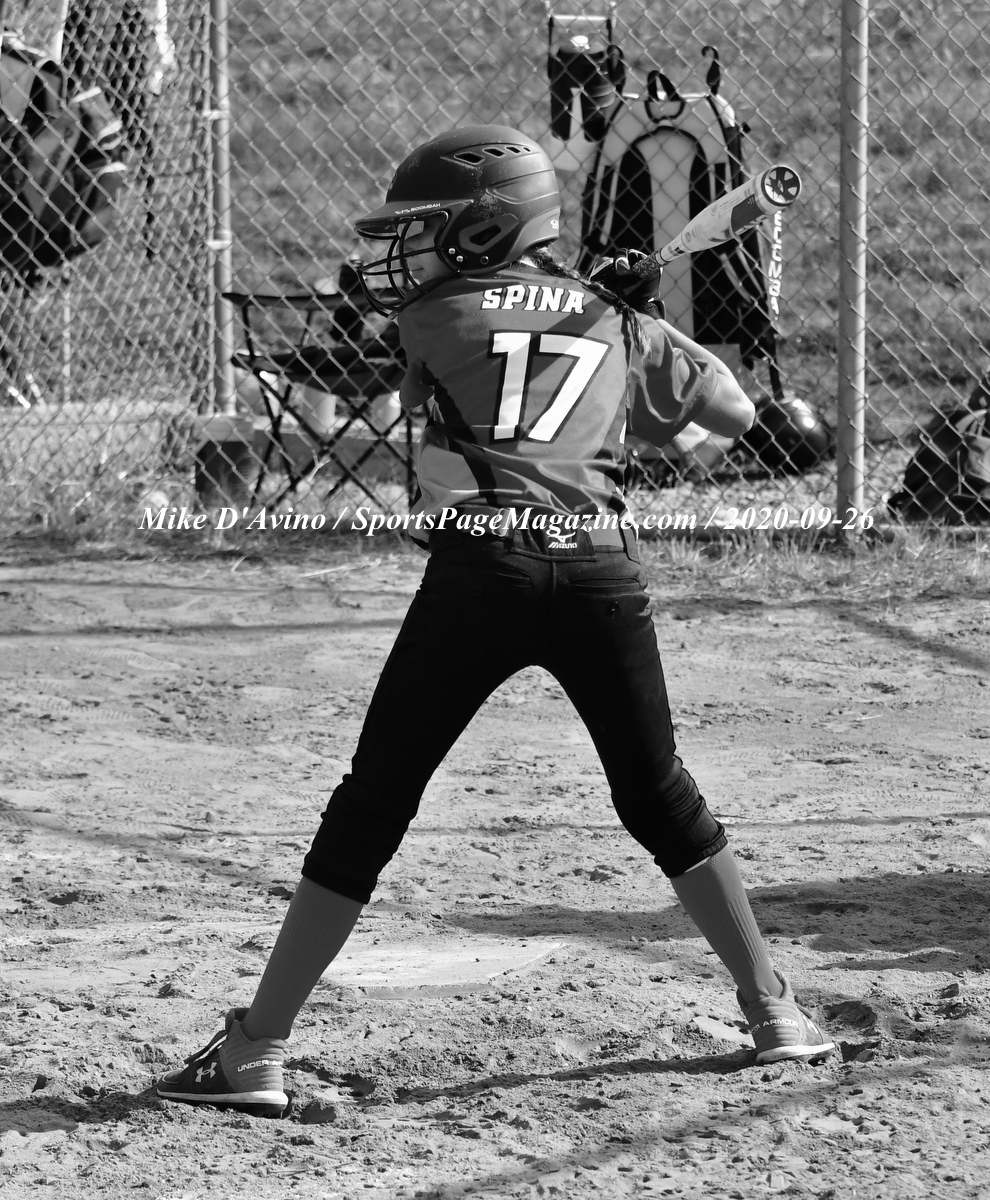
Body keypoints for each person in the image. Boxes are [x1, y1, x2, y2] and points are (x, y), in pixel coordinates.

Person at [157, 124, 833, 1116]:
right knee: (660, 798)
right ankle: (776, 1013)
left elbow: (454, 403)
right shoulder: (613, 317)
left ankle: (256, 1051)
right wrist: (631, 320)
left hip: (482, 574)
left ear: (482, 231)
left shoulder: (430, 313)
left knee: (372, 805)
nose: (407, 248)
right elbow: (730, 414)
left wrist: (587, 308)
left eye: (427, 228)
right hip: (600, 572)